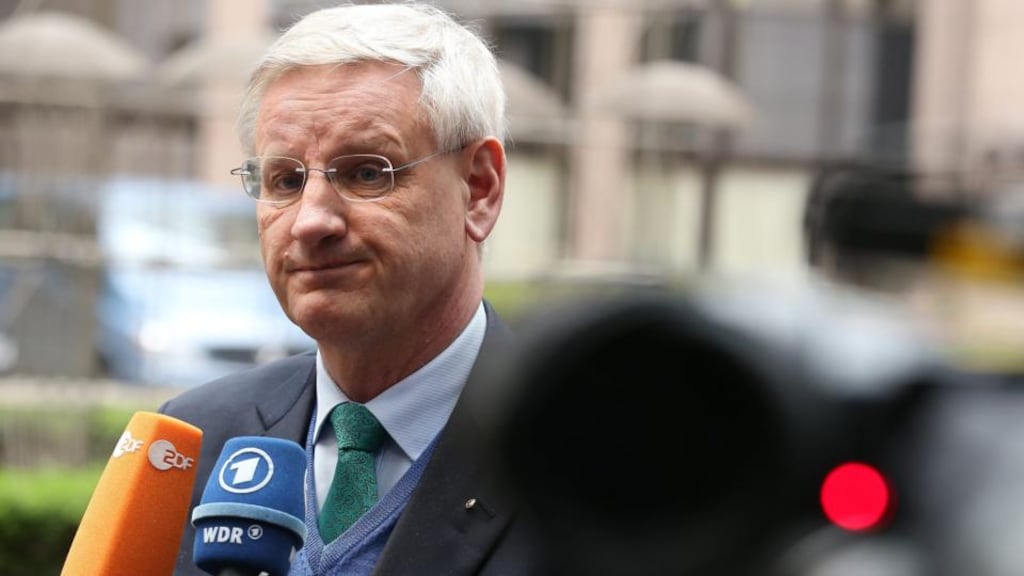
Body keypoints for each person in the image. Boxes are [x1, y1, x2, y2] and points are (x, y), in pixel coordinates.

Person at [160, 4, 548, 575]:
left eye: (367, 172)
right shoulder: (191, 441)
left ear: (479, 189)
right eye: (286, 180)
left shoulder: (595, 466)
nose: (310, 221)